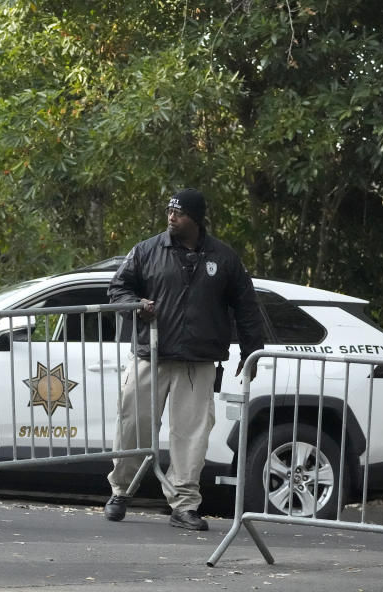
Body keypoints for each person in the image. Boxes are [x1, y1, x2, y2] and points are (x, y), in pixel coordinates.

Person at [104, 188, 265, 530]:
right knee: (132, 425)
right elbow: (118, 289)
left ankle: (184, 504)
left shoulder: (223, 257)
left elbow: (247, 306)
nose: (171, 217)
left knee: (191, 435)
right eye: (169, 211)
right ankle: (121, 491)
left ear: (196, 218)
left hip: (198, 361)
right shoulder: (147, 250)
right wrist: (137, 305)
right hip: (151, 355)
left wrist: (252, 350)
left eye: (179, 212)